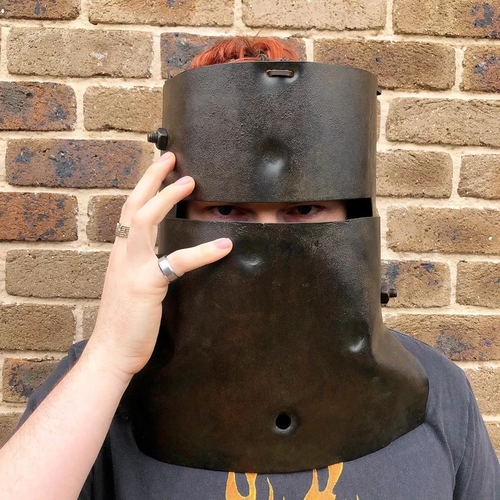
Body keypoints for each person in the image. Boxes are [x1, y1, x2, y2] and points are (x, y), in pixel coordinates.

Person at [0, 36, 498, 500]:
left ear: (354, 212)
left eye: (304, 209)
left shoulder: (436, 391)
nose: (267, 239)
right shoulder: (98, 388)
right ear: (176, 216)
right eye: (226, 210)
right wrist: (109, 356)